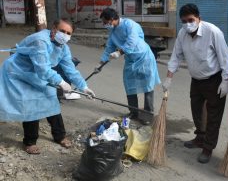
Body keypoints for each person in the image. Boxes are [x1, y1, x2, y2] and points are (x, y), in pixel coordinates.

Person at [0, 18, 95, 154]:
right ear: (54, 29)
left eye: (69, 33)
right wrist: (61, 82)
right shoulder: (40, 41)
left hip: (36, 74)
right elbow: (43, 70)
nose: (65, 35)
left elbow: (70, 69)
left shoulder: (63, 47)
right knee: (31, 104)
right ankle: (30, 141)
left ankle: (59, 135)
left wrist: (83, 87)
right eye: (62, 31)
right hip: (20, 72)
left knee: (51, 100)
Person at [162, 3, 228, 163]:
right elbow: (175, 56)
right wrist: (168, 78)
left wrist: (225, 80)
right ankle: (200, 138)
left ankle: (208, 148)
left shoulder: (212, 31)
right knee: (196, 110)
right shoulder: (182, 33)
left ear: (199, 18)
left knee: (213, 116)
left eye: (191, 20)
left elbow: (225, 57)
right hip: (196, 79)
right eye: (184, 21)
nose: (187, 24)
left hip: (214, 79)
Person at [96, 8, 160, 125]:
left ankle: (148, 114)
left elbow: (132, 41)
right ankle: (134, 112)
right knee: (129, 84)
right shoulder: (113, 31)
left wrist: (119, 52)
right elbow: (109, 47)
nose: (104, 25)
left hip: (143, 56)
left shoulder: (130, 24)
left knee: (147, 86)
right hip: (130, 59)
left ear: (111, 19)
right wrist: (100, 64)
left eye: (105, 22)